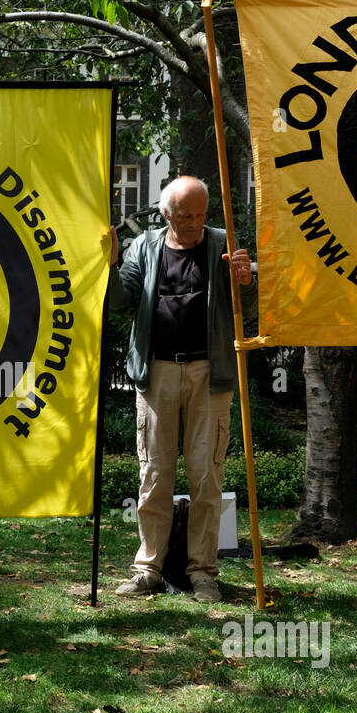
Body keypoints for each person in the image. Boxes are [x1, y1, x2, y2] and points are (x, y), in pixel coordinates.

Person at [109, 176, 256, 602]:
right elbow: (121, 303)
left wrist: (246, 282)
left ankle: (203, 572)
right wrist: (111, 266)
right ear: (165, 214)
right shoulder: (145, 247)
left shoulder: (221, 244)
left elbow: (248, 307)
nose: (194, 223)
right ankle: (148, 569)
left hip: (209, 374)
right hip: (156, 373)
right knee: (154, 473)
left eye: (199, 214)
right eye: (184, 215)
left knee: (206, 476)